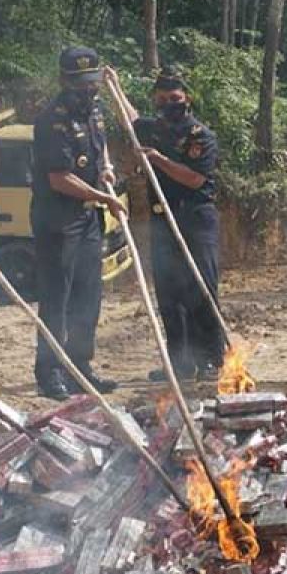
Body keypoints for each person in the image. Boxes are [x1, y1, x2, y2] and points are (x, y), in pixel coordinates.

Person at [30, 47, 124, 400]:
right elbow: (59, 178)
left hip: (87, 219)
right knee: (58, 298)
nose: (88, 91)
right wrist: (104, 198)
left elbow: (100, 149)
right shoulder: (51, 120)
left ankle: (80, 367)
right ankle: (50, 373)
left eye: (92, 84)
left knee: (89, 295)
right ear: (63, 81)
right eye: (80, 86)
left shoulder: (94, 110)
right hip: (58, 220)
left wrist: (107, 168)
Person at [119, 66, 224, 382]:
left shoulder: (200, 136)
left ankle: (210, 359)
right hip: (162, 220)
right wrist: (115, 85)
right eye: (162, 98)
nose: (169, 103)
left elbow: (195, 179)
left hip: (195, 218)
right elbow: (131, 118)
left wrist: (159, 160)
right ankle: (180, 362)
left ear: (187, 98)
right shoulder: (153, 129)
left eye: (175, 97)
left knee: (200, 288)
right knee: (169, 293)